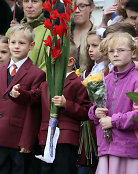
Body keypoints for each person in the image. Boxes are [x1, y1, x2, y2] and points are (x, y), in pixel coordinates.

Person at [0, 24, 46, 174]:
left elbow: (35, 106)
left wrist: (27, 140)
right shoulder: (0, 71)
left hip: (19, 139)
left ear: (31, 46)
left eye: (22, 43)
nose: (16, 46)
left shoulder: (36, 73)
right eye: (13, 43)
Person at [37, 40, 91, 174]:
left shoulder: (78, 83)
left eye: (54, 58)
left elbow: (86, 111)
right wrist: (18, 94)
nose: (50, 62)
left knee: (63, 169)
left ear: (70, 61)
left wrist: (67, 104)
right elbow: (34, 97)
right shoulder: (46, 84)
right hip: (46, 135)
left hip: (66, 138)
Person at [88, 32, 138, 174]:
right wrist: (95, 112)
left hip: (128, 149)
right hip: (106, 147)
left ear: (133, 53)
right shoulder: (105, 80)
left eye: (121, 50)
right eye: (111, 51)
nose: (115, 54)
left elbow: (137, 115)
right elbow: (96, 106)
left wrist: (114, 121)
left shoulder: (136, 80)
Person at [72, 0, 96, 72]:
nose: (76, 10)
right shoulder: (64, 33)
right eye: (73, 6)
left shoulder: (96, 33)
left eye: (82, 6)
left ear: (91, 7)